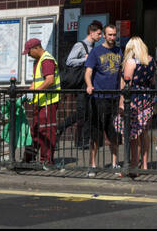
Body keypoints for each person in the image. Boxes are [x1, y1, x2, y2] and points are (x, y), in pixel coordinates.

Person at [114, 37, 157, 177]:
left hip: (133, 101)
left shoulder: (131, 62)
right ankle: (144, 165)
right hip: (147, 99)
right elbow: (153, 81)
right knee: (144, 133)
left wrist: (121, 103)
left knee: (132, 134)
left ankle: (133, 166)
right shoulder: (151, 61)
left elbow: (126, 85)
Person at [84, 23, 124, 174]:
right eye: (110, 35)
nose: (113, 38)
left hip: (114, 98)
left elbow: (120, 74)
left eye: (114, 35)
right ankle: (92, 165)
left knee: (114, 132)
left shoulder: (119, 51)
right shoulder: (96, 51)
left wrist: (121, 94)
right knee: (95, 133)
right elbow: (88, 72)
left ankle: (114, 163)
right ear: (105, 36)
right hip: (98, 97)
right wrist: (89, 85)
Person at [58, 21, 102, 148]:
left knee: (88, 113)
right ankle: (60, 127)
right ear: (91, 32)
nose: (100, 36)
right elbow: (69, 61)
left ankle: (83, 142)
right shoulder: (80, 45)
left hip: (89, 84)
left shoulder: (93, 48)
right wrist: (86, 59)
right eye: (98, 34)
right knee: (82, 112)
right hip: (81, 84)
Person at [22, 38, 60, 168]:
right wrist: (27, 93)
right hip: (42, 101)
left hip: (48, 101)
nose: (28, 55)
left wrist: (35, 91)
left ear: (36, 48)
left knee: (47, 132)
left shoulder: (46, 60)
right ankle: (29, 159)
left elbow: (49, 80)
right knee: (36, 130)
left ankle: (47, 161)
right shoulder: (38, 61)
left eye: (29, 52)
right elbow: (36, 81)